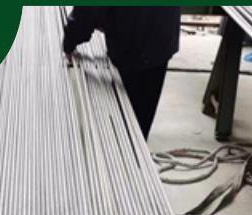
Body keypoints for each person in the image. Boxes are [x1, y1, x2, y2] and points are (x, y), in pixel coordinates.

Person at [63, 6, 181, 139]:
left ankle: (130, 143)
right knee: (140, 120)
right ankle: (137, 143)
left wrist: (69, 41)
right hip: (162, 35)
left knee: (127, 123)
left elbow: (87, 10)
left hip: (134, 43)